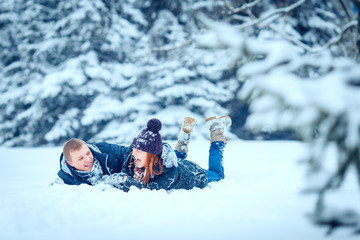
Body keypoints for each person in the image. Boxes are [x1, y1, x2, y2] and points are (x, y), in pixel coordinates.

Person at [119, 116, 231, 191]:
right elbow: (125, 170)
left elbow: (148, 190)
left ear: (150, 154)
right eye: (134, 149)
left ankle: (217, 131)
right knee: (173, 162)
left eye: (138, 151)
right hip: (177, 165)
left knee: (218, 175)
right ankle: (184, 135)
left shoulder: (168, 175)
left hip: (193, 174)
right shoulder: (141, 155)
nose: (133, 154)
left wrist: (126, 181)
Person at [57, 139, 132, 186]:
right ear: (71, 163)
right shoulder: (64, 182)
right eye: (81, 158)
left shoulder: (106, 150)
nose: (88, 159)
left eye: (88, 153)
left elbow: (132, 153)